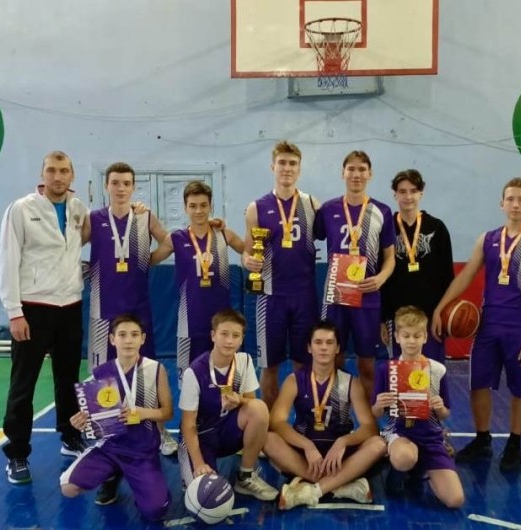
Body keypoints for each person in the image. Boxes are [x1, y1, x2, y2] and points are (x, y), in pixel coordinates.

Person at [431, 177, 521, 472]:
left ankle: (514, 444)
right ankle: (483, 439)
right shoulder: (487, 239)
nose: (515, 204)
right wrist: (439, 308)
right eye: (510, 199)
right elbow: (465, 276)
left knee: (520, 388)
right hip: (488, 323)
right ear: (502, 204)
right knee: (479, 383)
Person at [0, 151, 89, 484]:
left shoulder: (78, 209)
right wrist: (14, 312)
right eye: (51, 170)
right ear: (42, 174)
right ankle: (17, 454)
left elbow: (85, 241)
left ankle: (70, 436)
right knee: (24, 384)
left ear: (72, 175)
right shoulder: (22, 209)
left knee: (68, 379)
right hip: (33, 308)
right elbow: (7, 260)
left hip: (70, 307)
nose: (58, 177)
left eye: (64, 171)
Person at [83, 162, 178, 458]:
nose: (121, 188)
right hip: (103, 309)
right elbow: (68, 245)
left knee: (146, 370)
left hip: (137, 308)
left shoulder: (144, 216)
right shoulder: (93, 218)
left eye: (126, 183)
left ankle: (158, 431)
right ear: (106, 186)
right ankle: (105, 431)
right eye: (115, 183)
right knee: (102, 372)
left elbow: (169, 242)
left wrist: (146, 260)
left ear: (134, 187)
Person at [60, 314, 173, 522]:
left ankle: (142, 483)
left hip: (142, 451)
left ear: (143, 339)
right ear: (112, 339)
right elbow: (94, 419)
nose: (128, 340)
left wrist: (143, 413)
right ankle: (111, 474)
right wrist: (82, 421)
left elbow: (167, 412)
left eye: (134, 335)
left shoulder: (156, 369)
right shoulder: (100, 373)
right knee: (68, 487)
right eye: (122, 335)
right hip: (110, 448)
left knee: (155, 511)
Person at [264, 320, 387, 509]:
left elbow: (370, 427)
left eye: (329, 343)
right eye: (318, 342)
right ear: (309, 347)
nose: (323, 348)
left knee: (378, 444)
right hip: (305, 455)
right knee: (267, 439)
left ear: (337, 348)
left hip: (339, 456)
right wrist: (306, 445)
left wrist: (343, 442)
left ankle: (313, 490)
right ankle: (341, 483)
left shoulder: (350, 382)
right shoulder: (295, 380)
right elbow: (277, 422)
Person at [242, 141, 319, 408]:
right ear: (272, 167)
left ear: (299, 168)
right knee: (269, 366)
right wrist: (248, 261)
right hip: (270, 298)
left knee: (303, 364)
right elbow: (247, 251)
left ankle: (304, 421)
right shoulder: (256, 208)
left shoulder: (312, 205)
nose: (287, 168)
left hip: (304, 298)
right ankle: (270, 425)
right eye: (282, 163)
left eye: (292, 163)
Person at [314, 150, 396, 398]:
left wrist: (380, 278)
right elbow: (310, 234)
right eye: (351, 169)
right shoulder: (328, 209)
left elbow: (390, 257)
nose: (356, 174)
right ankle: (335, 414)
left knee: (367, 364)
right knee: (333, 359)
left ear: (370, 174)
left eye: (362, 169)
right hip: (335, 296)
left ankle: (368, 416)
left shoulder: (382, 211)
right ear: (343, 173)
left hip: (367, 296)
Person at [177, 309, 278, 501]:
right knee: (203, 497)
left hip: (229, 431)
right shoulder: (194, 372)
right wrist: (198, 463)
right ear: (213, 335)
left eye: (235, 335)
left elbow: (252, 402)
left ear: (241, 339)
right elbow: (188, 425)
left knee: (259, 408)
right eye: (224, 334)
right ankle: (197, 467)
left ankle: (246, 476)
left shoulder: (244, 361)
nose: (229, 341)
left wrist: (240, 400)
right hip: (201, 437)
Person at [151, 181, 244, 384]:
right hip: (190, 321)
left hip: (222, 320)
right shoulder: (176, 238)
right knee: (189, 379)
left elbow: (249, 251)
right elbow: (149, 260)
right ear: (185, 208)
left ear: (211, 206)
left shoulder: (224, 235)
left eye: (203, 205)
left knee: (224, 378)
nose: (198, 211)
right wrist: (144, 226)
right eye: (193, 206)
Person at [372, 307, 464, 508]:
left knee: (455, 500)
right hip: (399, 432)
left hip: (431, 437)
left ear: (425, 337)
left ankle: (420, 467)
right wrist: (379, 404)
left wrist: (439, 406)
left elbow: (445, 413)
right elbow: (375, 412)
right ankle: (399, 471)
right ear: (397, 337)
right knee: (404, 457)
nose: (411, 341)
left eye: (417, 336)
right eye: (406, 336)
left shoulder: (437, 370)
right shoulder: (386, 369)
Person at [381, 169, 455, 362]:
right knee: (402, 372)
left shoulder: (437, 228)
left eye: (413, 191)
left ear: (421, 193)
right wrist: (382, 319)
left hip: (430, 316)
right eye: (402, 191)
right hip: (397, 317)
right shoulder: (386, 227)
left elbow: (447, 277)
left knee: (432, 370)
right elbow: (381, 275)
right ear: (395, 194)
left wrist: (442, 312)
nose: (408, 196)